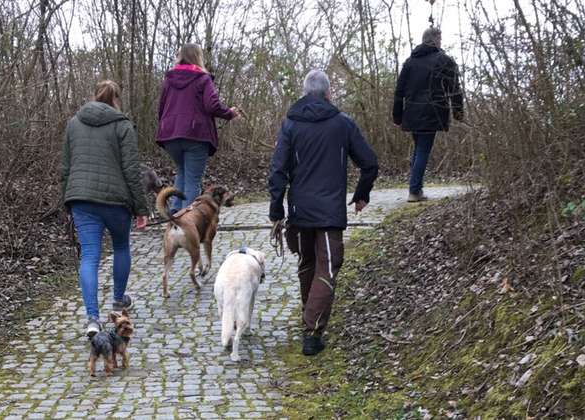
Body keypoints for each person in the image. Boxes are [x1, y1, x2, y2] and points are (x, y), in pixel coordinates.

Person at [268, 70, 379, 356]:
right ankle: (312, 330)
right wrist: (362, 194)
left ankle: (309, 319)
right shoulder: (343, 124)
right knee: (327, 267)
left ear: (305, 93)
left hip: (300, 210)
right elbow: (369, 163)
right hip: (329, 213)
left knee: (308, 263)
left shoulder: (290, 124)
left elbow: (278, 169)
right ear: (328, 94)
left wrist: (276, 208)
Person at [61, 80, 149, 337]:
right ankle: (119, 302)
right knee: (121, 247)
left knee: (89, 255)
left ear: (94, 96)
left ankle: (92, 318)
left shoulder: (73, 123)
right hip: (115, 201)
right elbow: (132, 170)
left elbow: (65, 168)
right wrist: (140, 208)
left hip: (81, 199)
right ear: (116, 100)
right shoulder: (122, 125)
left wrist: (67, 201)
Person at [156, 43, 241, 212]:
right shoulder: (203, 78)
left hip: (170, 134)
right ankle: (188, 222)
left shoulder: (169, 79)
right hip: (196, 134)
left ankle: (174, 217)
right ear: (198, 57)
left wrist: (168, 127)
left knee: (181, 173)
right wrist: (229, 113)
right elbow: (212, 105)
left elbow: (162, 107)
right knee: (193, 179)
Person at [393, 27, 464, 202]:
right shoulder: (444, 61)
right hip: (432, 112)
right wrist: (458, 111)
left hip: (412, 112)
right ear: (435, 40)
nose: (441, 42)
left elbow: (399, 91)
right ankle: (414, 190)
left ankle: (415, 187)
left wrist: (397, 115)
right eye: (440, 39)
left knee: (419, 148)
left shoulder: (410, 62)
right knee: (423, 149)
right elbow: (454, 89)